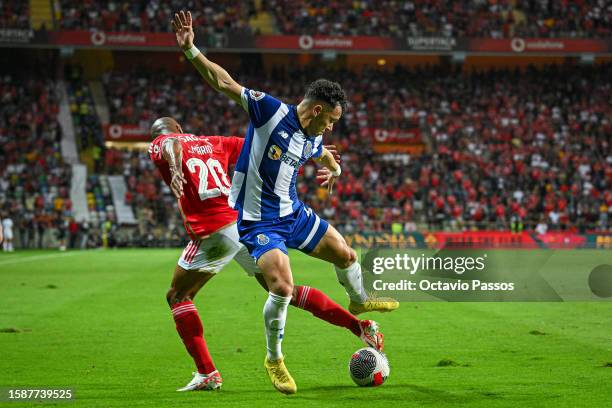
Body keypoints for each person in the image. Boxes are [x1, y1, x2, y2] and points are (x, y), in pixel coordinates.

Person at [172, 10, 399, 394]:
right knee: (281, 287)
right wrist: (192, 50)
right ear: (315, 110)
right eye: (330, 120)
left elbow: (320, 151)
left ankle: (359, 302)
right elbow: (223, 81)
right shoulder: (269, 111)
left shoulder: (312, 135)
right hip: (258, 222)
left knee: (346, 255)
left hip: (293, 213)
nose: (331, 127)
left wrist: (334, 169)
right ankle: (274, 359)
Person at [149, 117, 383, 392]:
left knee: (178, 296)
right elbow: (260, 146)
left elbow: (170, 146)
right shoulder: (212, 142)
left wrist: (175, 170)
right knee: (284, 291)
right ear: (181, 126)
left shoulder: (161, 142)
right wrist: (312, 150)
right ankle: (360, 327)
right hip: (242, 221)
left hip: (213, 230)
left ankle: (207, 373)